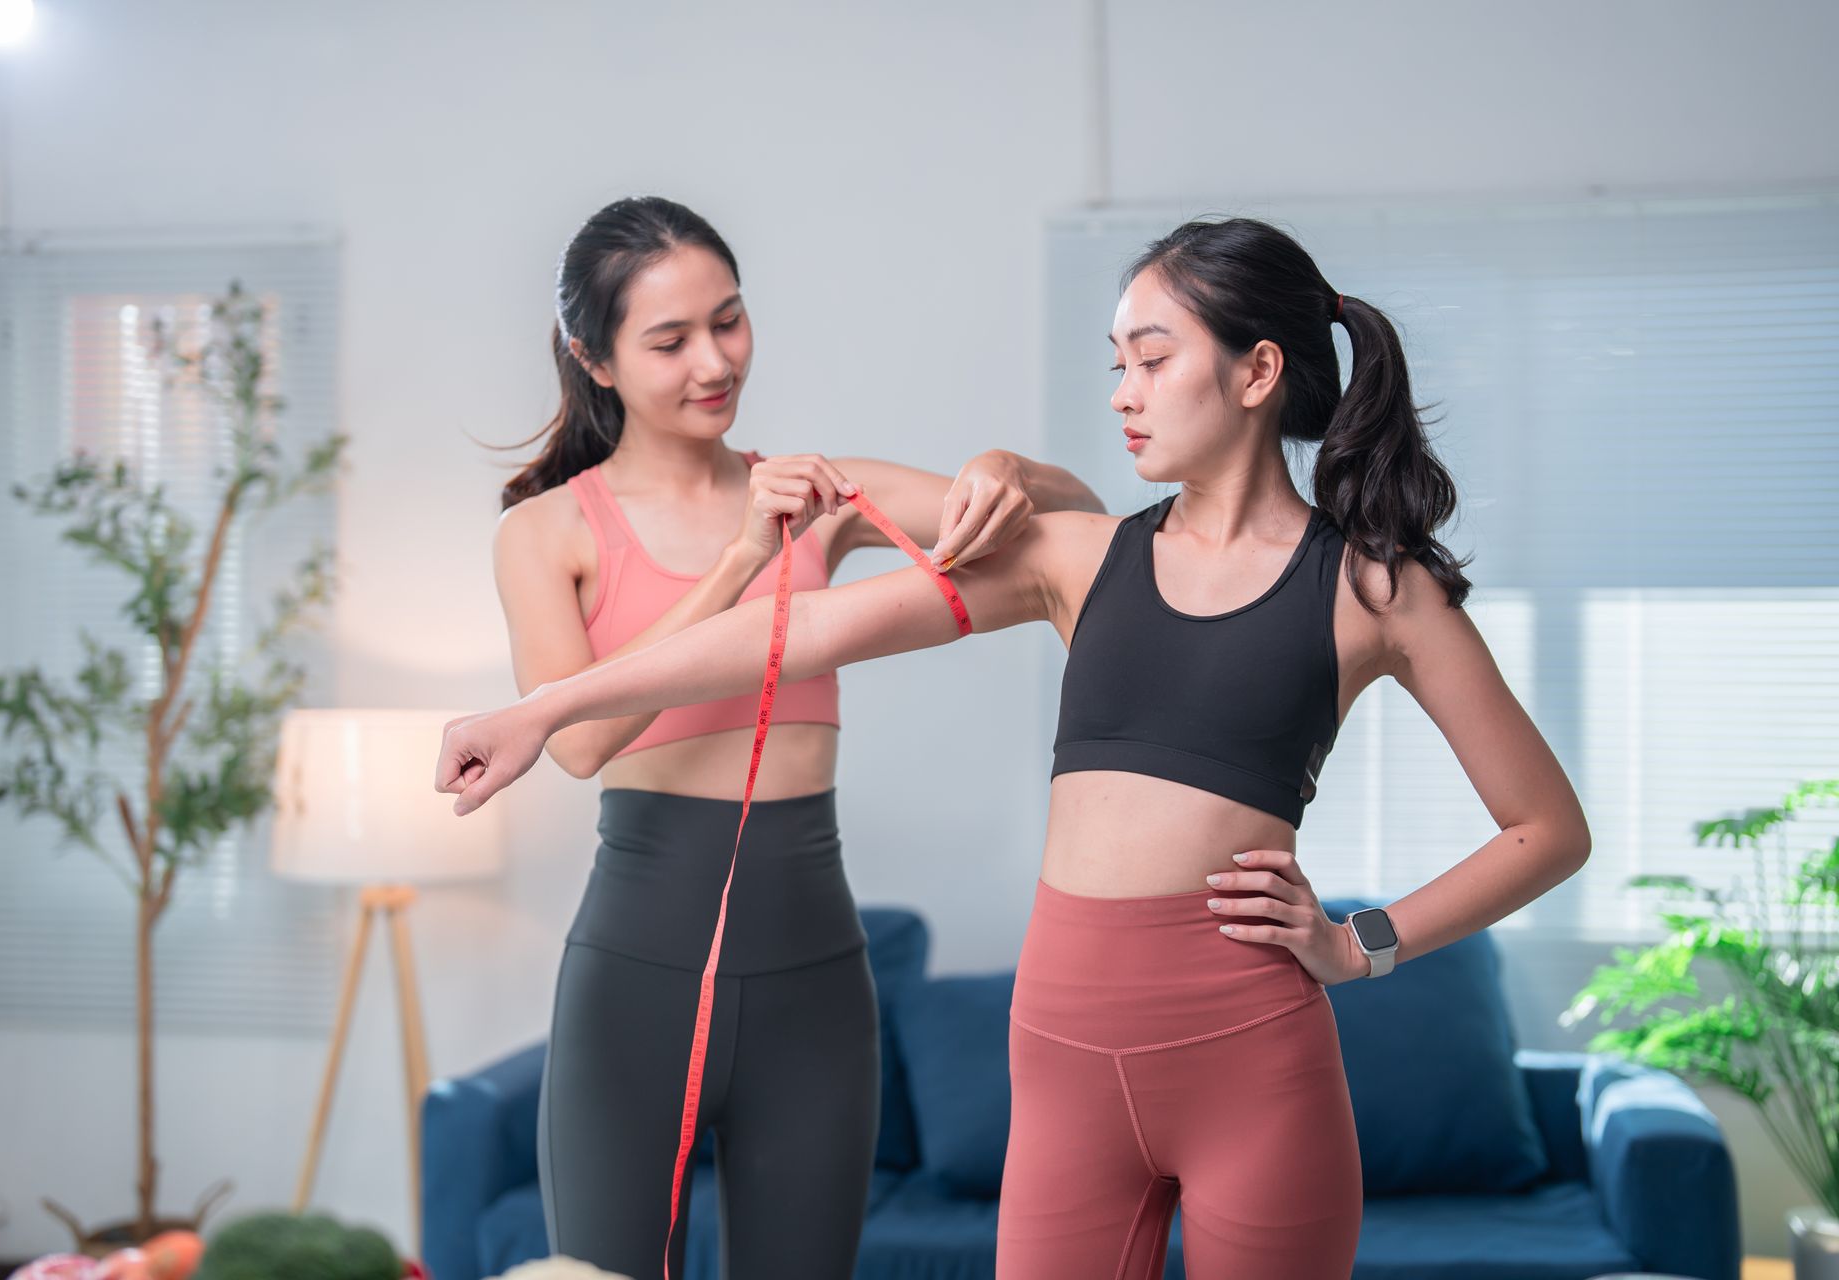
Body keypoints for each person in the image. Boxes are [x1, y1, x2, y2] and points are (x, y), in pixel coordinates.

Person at [448, 216, 1591, 1279]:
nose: (1123, 394)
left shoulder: (1375, 587)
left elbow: (1547, 828)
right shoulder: (1079, 560)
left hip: (1253, 1053)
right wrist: (542, 711)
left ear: (1257, 371)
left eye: (1151, 360)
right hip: (1060, 1067)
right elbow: (788, 632)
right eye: (1115, 365)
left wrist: (1362, 942)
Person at [493, 195, 1104, 1280]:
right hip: (635, 980)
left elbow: (1075, 519)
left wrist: (1008, 464)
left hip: (814, 980)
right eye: (669, 340)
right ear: (594, 359)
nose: (714, 360)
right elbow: (578, 740)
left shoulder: (824, 496)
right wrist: (740, 557)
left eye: (728, 320)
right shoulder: (548, 530)